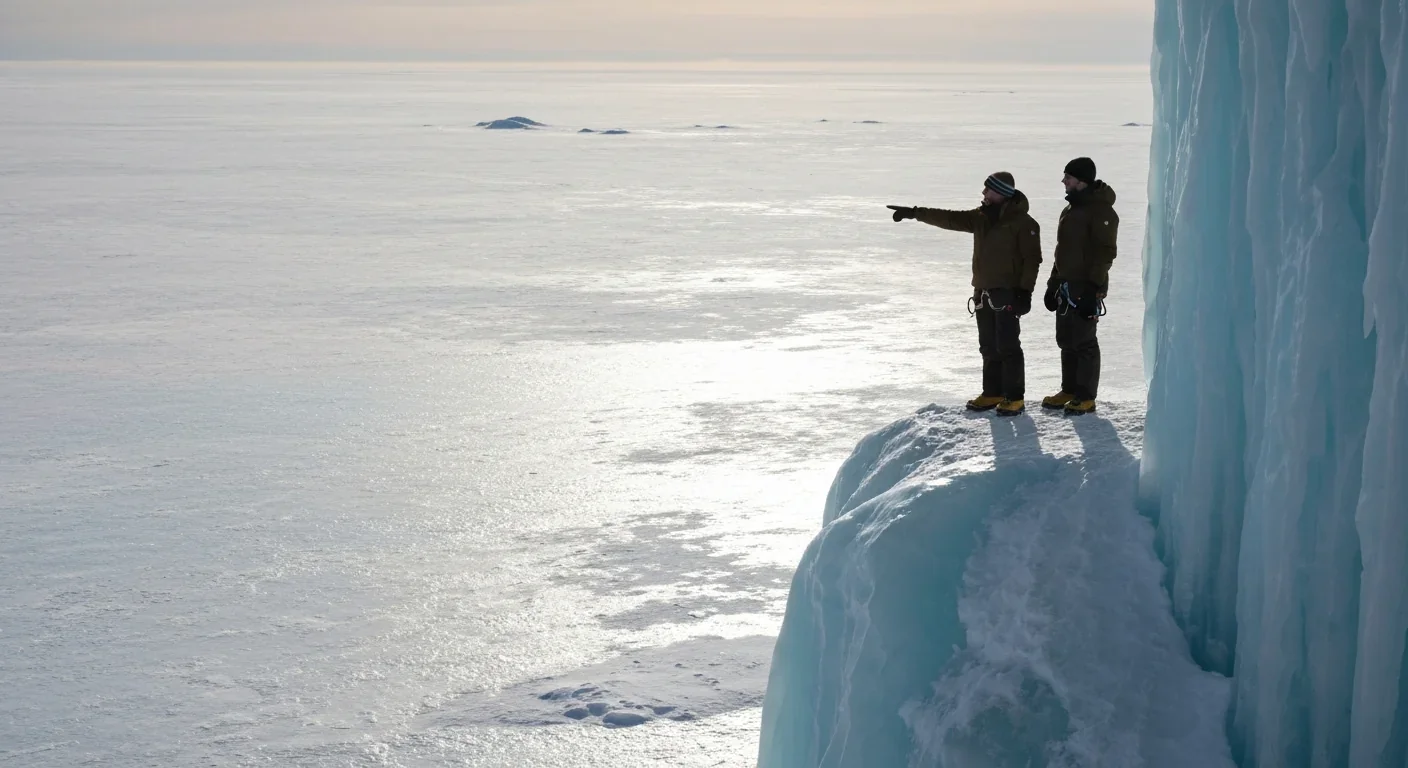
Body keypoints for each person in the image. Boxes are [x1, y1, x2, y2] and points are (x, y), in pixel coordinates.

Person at [888, 172, 1042, 416]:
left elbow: (1032, 260)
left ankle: (1014, 397)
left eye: (988, 190)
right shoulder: (981, 218)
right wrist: (915, 213)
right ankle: (992, 393)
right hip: (983, 292)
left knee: (1008, 346)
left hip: (1008, 294)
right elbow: (950, 219)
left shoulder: (1024, 224)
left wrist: (1025, 292)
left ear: (1001, 193)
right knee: (988, 346)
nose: (983, 194)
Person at [1042, 157, 1119, 415]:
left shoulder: (1101, 211)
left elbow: (1105, 252)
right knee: (1066, 339)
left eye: (1068, 177)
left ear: (1082, 181)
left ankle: (1085, 396)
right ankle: (1070, 389)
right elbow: (1061, 251)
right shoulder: (1071, 209)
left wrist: (1092, 287)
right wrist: (1053, 283)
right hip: (1066, 285)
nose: (1063, 181)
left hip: (1085, 288)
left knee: (1084, 342)